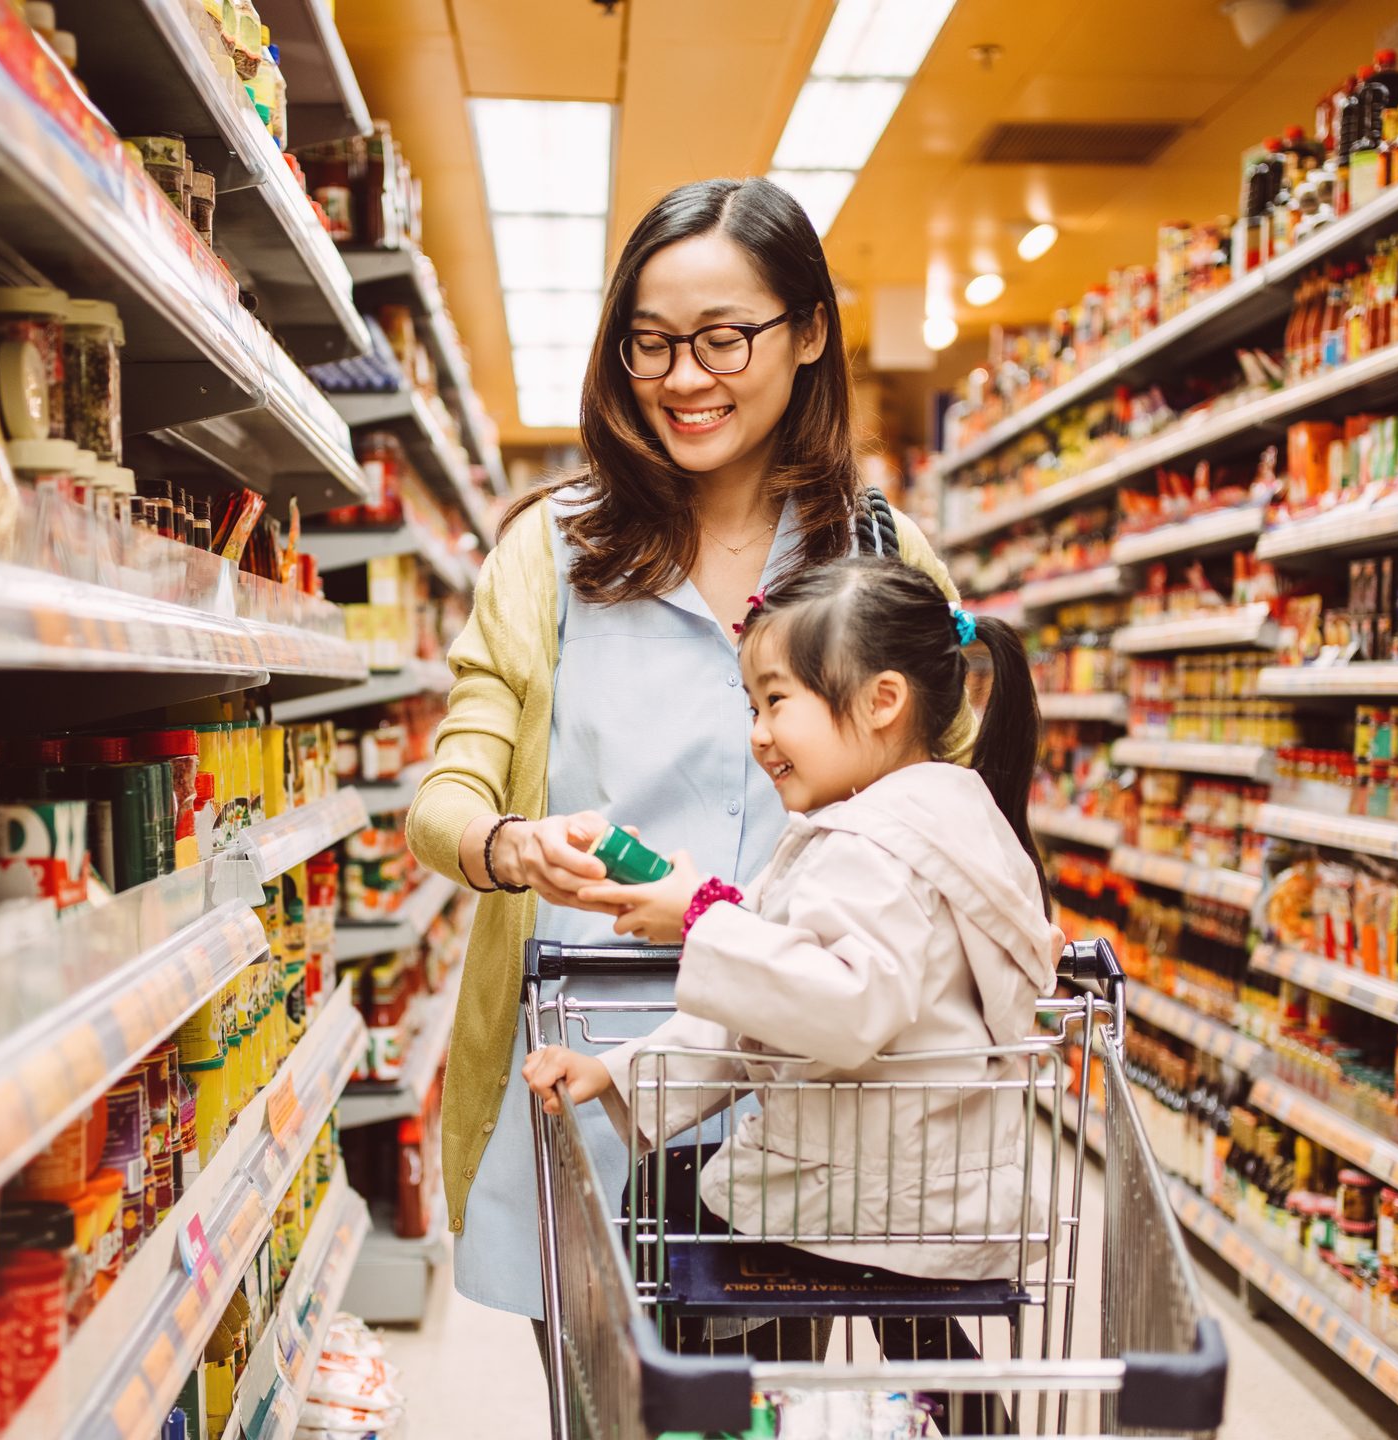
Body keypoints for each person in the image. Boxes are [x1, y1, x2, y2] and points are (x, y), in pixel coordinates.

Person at [403, 177, 973, 1342]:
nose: (683, 377)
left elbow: (950, 805)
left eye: (723, 338)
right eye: (650, 343)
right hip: (588, 1062)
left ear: (808, 332)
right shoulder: (549, 552)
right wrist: (508, 845)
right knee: (610, 1394)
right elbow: (449, 788)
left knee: (777, 1395)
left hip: (811, 1070)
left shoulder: (878, 555)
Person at [522, 557, 1059, 1399]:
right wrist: (615, 1071)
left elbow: (836, 1008)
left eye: (777, 702)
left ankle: (699, 1414)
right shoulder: (939, 812)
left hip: (874, 1192)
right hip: (926, 1179)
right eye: (752, 706)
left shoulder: (869, 850)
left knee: (664, 1209)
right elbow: (768, 1004)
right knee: (916, 1328)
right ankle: (952, 1420)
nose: (758, 732)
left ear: (882, 702)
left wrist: (700, 919)